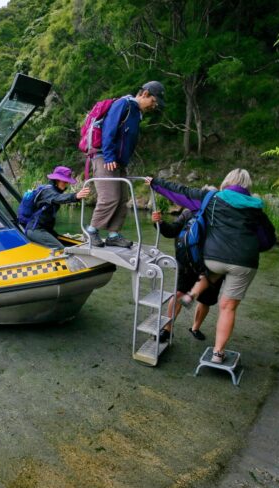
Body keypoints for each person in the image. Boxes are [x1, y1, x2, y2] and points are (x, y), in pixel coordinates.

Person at [147, 169, 276, 364]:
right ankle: (214, 352)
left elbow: (181, 191)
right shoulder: (255, 208)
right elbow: (267, 241)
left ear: (226, 183)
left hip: (214, 258)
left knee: (207, 294)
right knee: (226, 307)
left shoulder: (212, 200)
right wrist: (245, 247)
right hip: (227, 261)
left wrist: (156, 183)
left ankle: (195, 325)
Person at [86, 81, 166, 248]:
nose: (154, 106)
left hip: (118, 162)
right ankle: (92, 231)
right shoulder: (124, 104)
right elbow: (109, 129)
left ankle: (113, 235)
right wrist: (108, 156)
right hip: (104, 157)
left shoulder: (137, 113)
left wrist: (120, 161)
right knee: (109, 197)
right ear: (144, 94)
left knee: (123, 198)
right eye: (153, 101)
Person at [151, 205, 223, 343]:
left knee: (205, 300)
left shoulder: (223, 215)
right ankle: (167, 329)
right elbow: (171, 231)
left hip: (212, 266)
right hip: (187, 265)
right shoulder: (189, 212)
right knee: (178, 294)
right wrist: (159, 222)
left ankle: (195, 328)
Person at [25, 166, 90, 250]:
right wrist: (75, 196)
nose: (66, 183)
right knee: (61, 250)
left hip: (47, 230)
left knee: (68, 245)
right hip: (36, 230)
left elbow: (58, 197)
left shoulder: (54, 191)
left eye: (67, 181)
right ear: (57, 180)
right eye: (64, 181)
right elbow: (57, 198)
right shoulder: (47, 191)